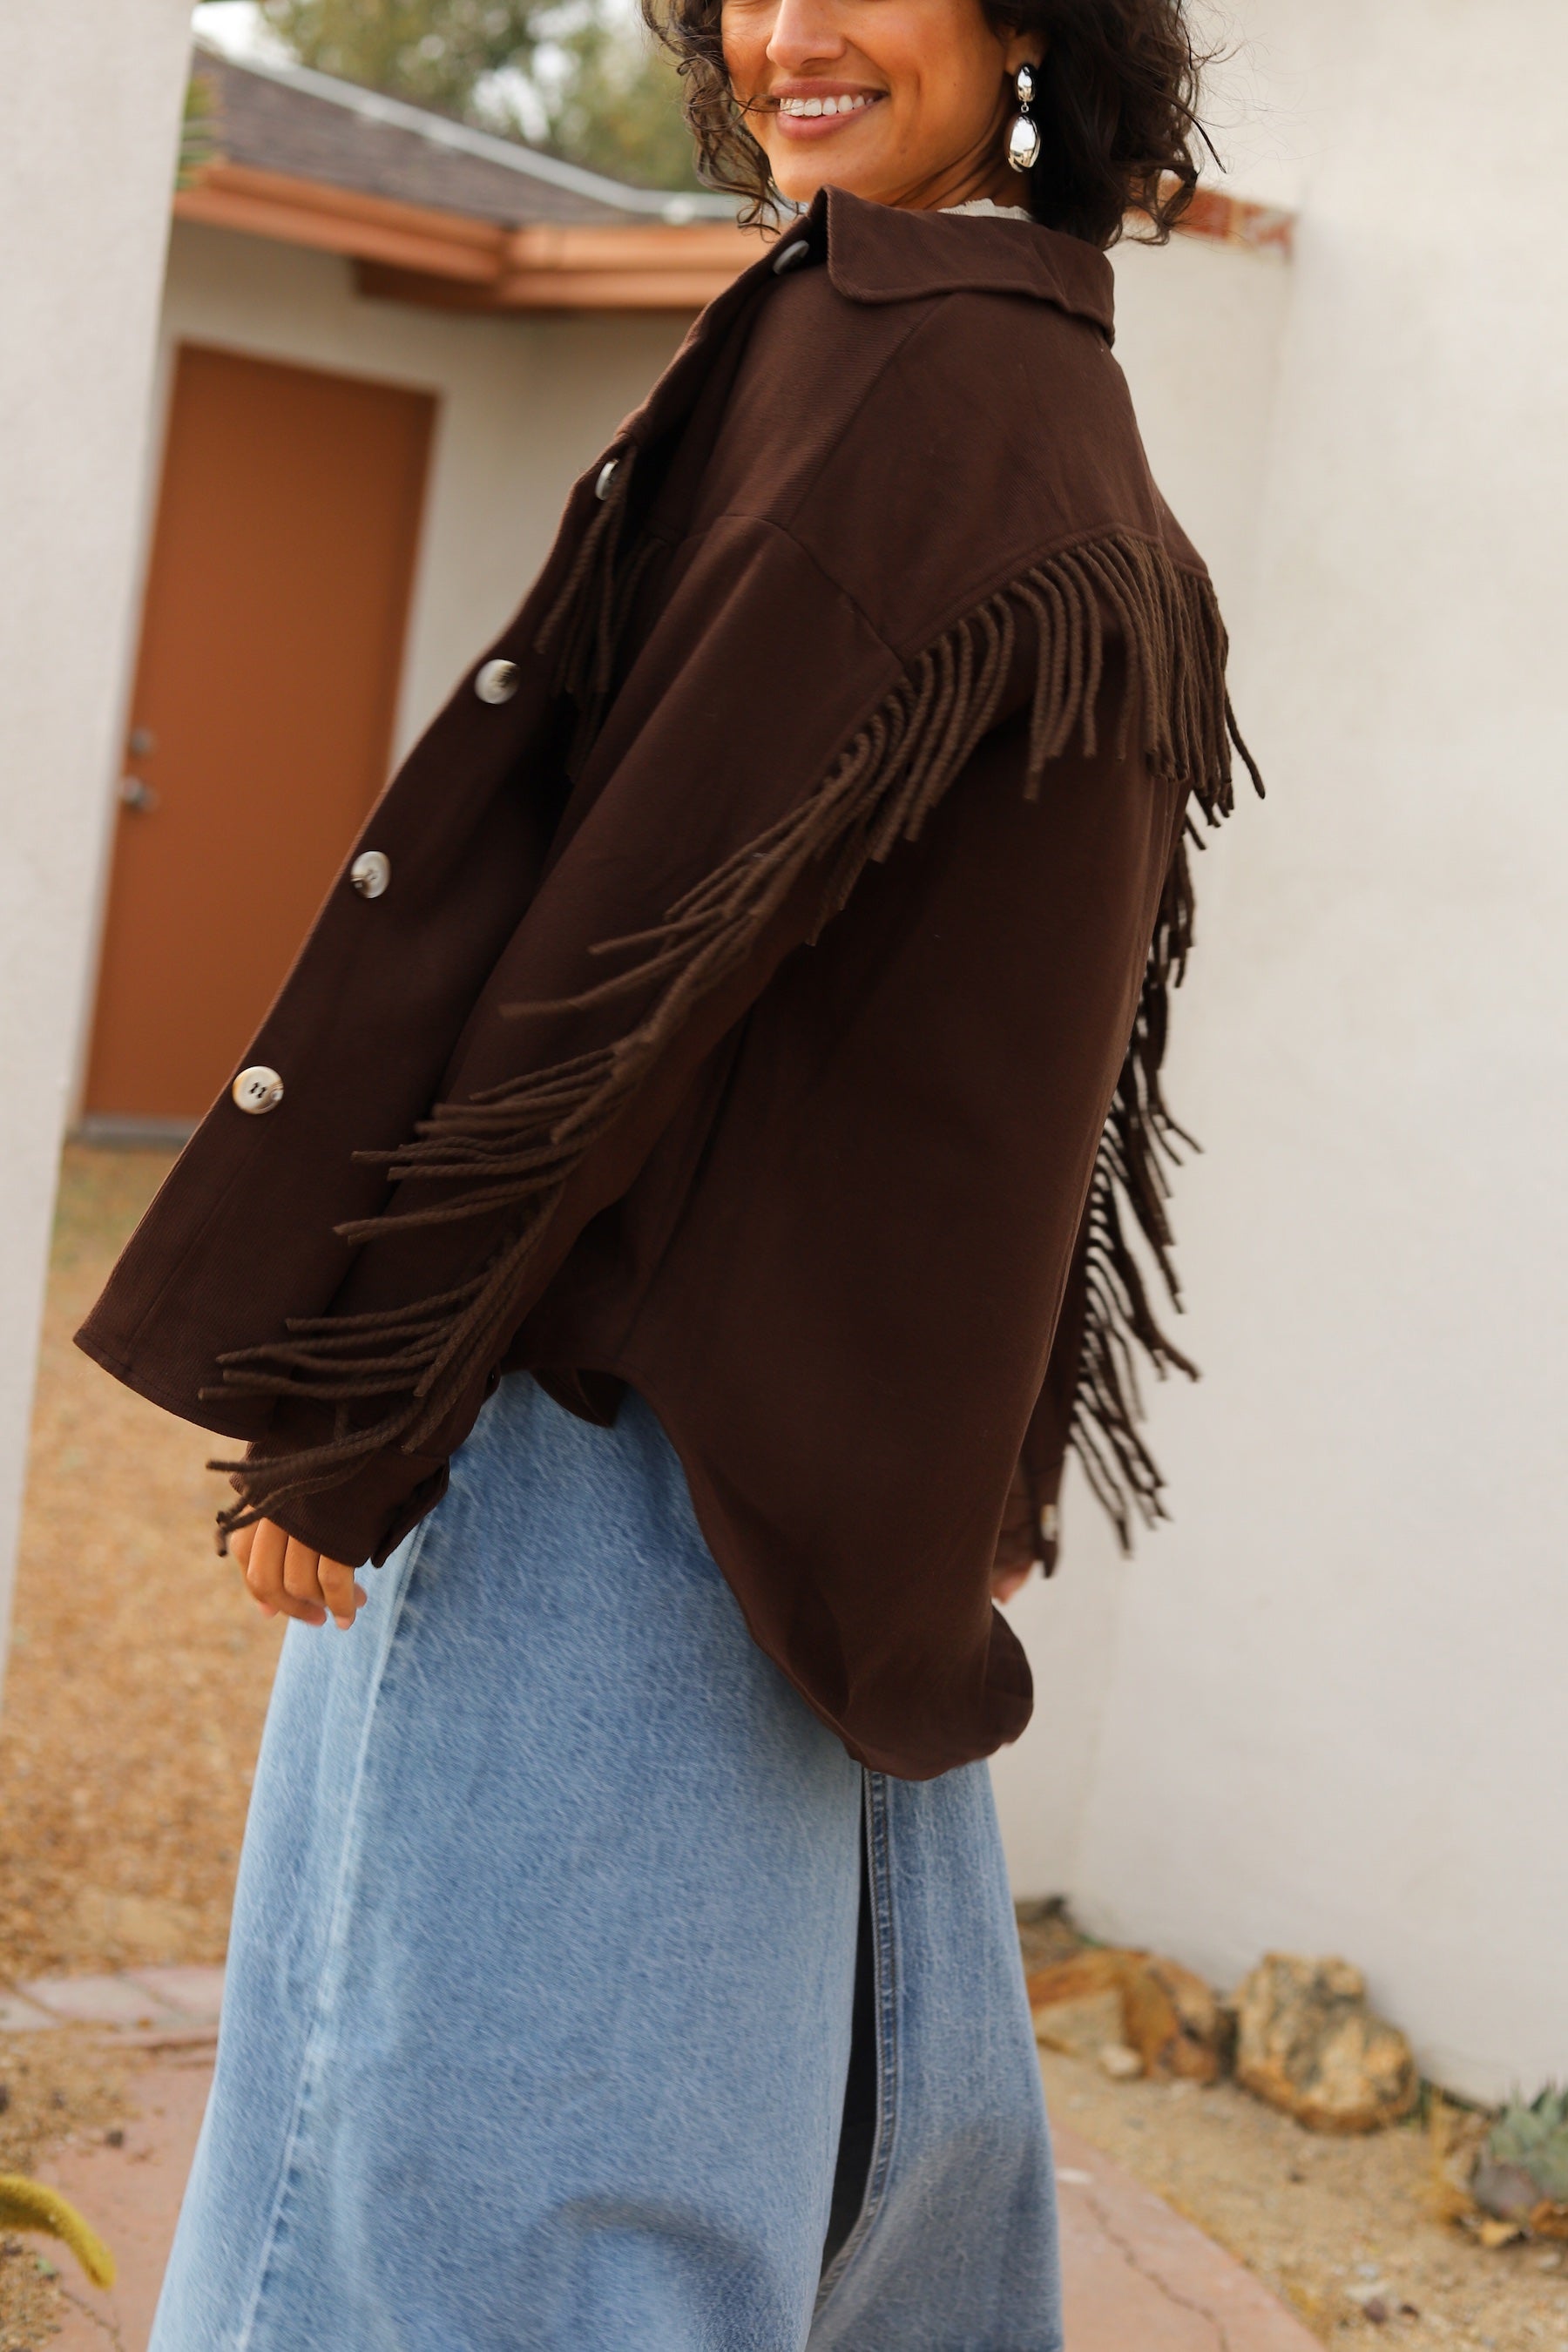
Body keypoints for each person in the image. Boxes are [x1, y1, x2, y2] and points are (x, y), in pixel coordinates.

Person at [79, 0, 1258, 2342]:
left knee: (438, 2235)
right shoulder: (1047, 387)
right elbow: (1019, 1042)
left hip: (606, 1474)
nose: (787, 30)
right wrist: (991, 1456)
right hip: (813, 1512)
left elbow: (622, 947)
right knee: (774, 2224)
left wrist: (362, 1416)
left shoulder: (894, 373)